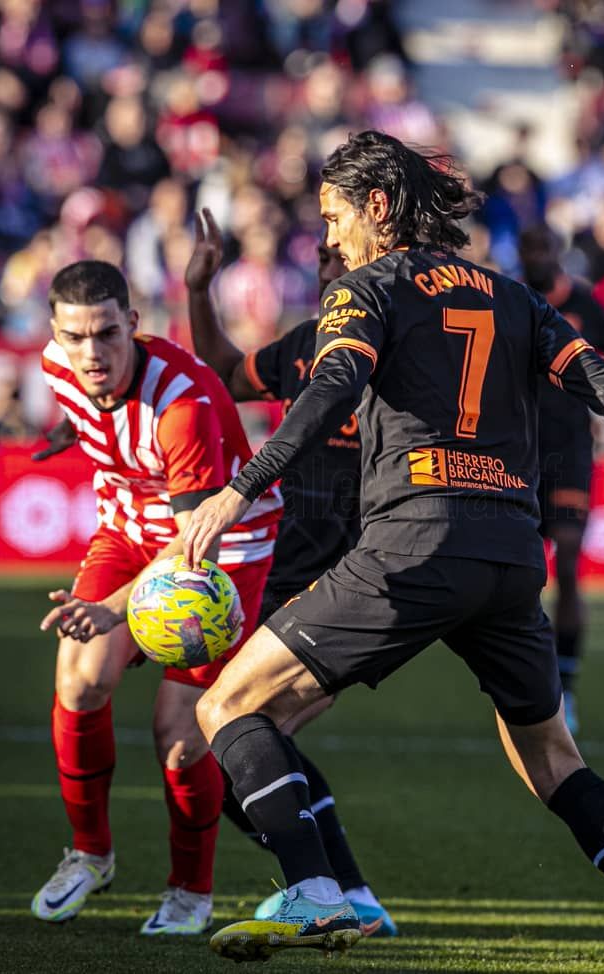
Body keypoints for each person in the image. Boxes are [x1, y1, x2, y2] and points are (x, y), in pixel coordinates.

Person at [182, 131, 604, 973]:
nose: (330, 237)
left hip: (412, 548)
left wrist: (241, 487)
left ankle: (314, 888)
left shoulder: (366, 289)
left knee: (226, 709)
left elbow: (333, 383)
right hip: (511, 559)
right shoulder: (512, 296)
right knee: (555, 762)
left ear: (377, 208)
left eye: (336, 216)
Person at [29, 260, 282, 936]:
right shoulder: (59, 366)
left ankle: (190, 893)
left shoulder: (182, 403)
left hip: (218, 554)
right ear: (55, 334)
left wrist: (114, 610)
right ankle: (90, 854)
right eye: (74, 337)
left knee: (180, 739)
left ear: (133, 326)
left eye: (107, 335)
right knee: (80, 682)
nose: (91, 353)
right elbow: (88, 414)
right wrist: (66, 435)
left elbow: (196, 536)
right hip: (130, 532)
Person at [184, 210, 397, 938]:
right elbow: (222, 369)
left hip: (350, 585)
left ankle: (325, 889)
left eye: (349, 272)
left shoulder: (401, 355)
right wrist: (200, 290)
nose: (338, 283)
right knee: (250, 738)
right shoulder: (306, 348)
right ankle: (349, 893)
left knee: (225, 737)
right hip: (286, 576)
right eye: (330, 274)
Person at [518, 225, 604, 734]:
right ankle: (529, 683)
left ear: (555, 251)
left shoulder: (585, 304)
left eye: (541, 246)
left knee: (571, 561)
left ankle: (567, 684)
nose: (535, 255)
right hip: (518, 448)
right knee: (520, 570)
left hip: (570, 447)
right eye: (528, 248)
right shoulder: (509, 298)